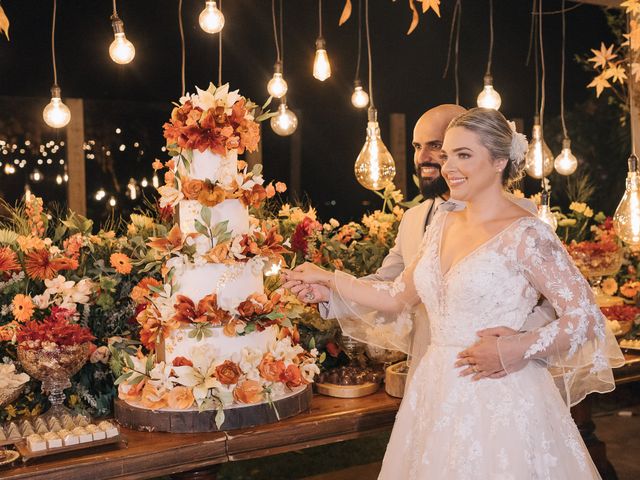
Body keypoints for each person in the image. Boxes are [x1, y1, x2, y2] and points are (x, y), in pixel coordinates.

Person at [284, 108, 624, 479]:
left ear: (498, 161)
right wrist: (330, 281)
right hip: (434, 392)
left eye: (464, 155)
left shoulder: (527, 233)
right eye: (447, 155)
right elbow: (397, 295)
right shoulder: (443, 222)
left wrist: (515, 348)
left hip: (499, 394)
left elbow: (586, 316)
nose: (448, 167)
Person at [286, 104, 548, 383]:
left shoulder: (521, 218)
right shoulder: (416, 219)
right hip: (429, 374)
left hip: (498, 374)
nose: (424, 157)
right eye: (417, 146)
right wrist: (330, 290)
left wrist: (515, 345)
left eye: (437, 146)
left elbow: (553, 306)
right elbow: (392, 287)